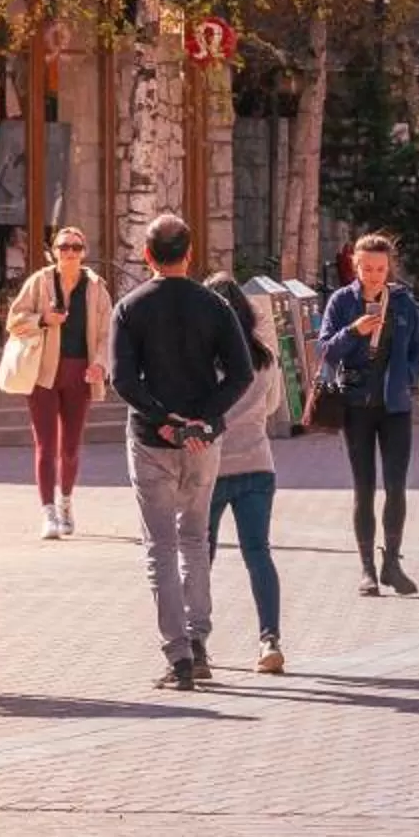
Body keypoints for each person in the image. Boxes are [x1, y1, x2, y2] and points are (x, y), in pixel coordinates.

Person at [109, 210, 257, 689]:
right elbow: (242, 374)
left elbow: (123, 379)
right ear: (190, 254)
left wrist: (165, 419)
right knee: (195, 539)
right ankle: (197, 641)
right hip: (201, 440)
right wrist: (204, 418)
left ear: (147, 255)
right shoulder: (215, 306)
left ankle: (178, 656)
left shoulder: (130, 307)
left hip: (153, 438)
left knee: (161, 547)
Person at [316, 231, 419, 596]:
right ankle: (366, 569)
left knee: (396, 487)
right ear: (355, 266)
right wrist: (353, 331)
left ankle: (392, 563)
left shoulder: (403, 303)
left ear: (389, 268)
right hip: (355, 407)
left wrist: (409, 377)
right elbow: (325, 350)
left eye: (380, 269)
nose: (374, 275)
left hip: (395, 406)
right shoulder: (340, 302)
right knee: (363, 489)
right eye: (367, 268)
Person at [6, 222, 110, 539]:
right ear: (53, 251)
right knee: (46, 445)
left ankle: (66, 502)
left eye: (76, 248)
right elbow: (14, 320)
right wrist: (43, 319)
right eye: (63, 247)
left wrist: (100, 365)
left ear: (84, 253)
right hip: (43, 372)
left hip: (80, 372)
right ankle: (48, 512)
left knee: (71, 447)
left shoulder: (95, 288)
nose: (69, 253)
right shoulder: (39, 282)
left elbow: (107, 333)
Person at [206, 272, 287, 673]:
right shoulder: (264, 357)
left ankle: (195, 641)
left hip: (211, 466)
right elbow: (272, 406)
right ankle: (269, 638)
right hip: (257, 463)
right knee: (259, 554)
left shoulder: (203, 360)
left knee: (199, 554)